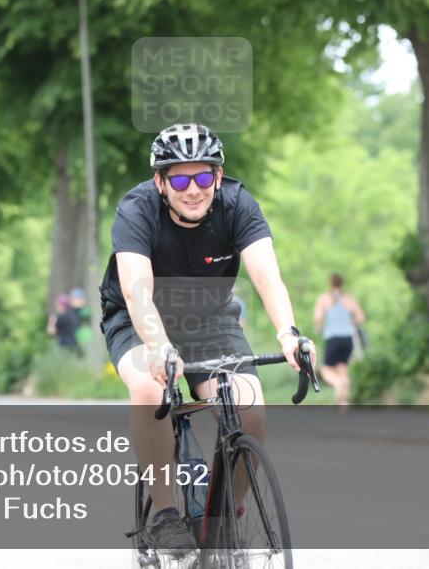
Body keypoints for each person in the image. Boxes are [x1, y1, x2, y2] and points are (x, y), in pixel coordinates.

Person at [99, 123, 315, 551]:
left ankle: (222, 523)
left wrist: (289, 334)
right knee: (148, 390)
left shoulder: (238, 206)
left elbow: (267, 277)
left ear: (218, 176)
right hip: (138, 319)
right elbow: (136, 292)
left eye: (203, 176)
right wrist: (159, 347)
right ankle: (163, 514)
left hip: (210, 320)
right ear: (161, 182)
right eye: (180, 178)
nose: (193, 189)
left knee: (249, 404)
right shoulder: (136, 210)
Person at [313, 273, 366, 407]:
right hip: (347, 338)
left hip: (332, 338)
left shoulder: (324, 299)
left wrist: (319, 329)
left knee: (326, 370)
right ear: (342, 283)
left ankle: (338, 385)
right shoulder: (349, 299)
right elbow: (361, 318)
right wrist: (349, 323)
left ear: (330, 283)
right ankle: (343, 404)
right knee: (343, 369)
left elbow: (318, 317)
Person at [68, 288, 93, 354]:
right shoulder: (71, 312)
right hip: (75, 338)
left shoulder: (85, 310)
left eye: (77, 299)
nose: (73, 302)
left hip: (86, 337)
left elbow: (85, 319)